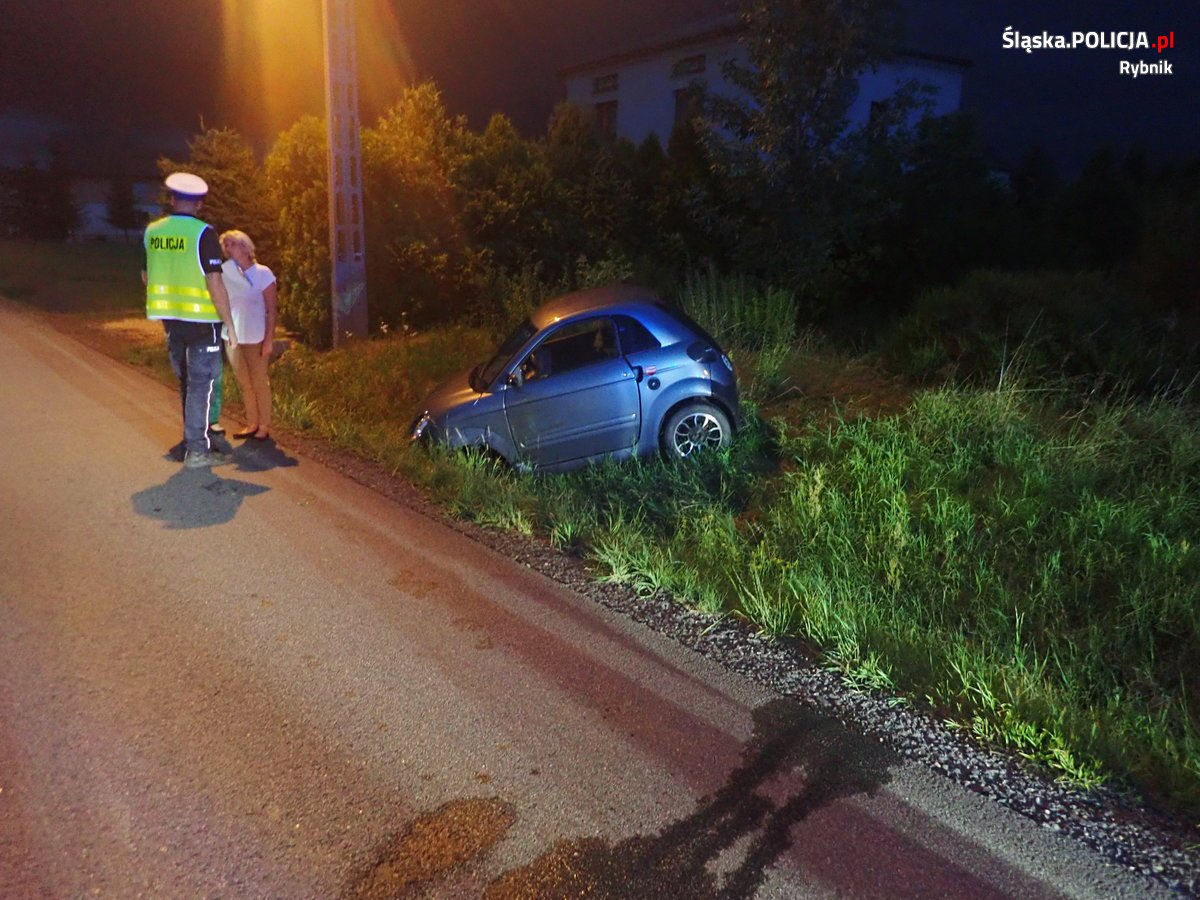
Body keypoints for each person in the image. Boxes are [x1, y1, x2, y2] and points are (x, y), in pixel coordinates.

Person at [142, 172, 239, 468]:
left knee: (186, 383)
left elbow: (146, 276)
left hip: (171, 321)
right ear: (199, 204)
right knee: (200, 386)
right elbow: (214, 281)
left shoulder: (152, 232)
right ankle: (197, 451)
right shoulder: (203, 233)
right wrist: (230, 324)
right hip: (202, 324)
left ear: (172, 200)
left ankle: (190, 441)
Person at [219, 229, 277, 440]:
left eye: (232, 244)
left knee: (259, 382)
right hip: (232, 337)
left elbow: (272, 310)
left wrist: (269, 340)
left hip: (256, 337)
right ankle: (252, 422)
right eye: (226, 245)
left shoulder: (263, 273)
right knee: (244, 383)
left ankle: (264, 425)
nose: (228, 249)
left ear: (245, 247)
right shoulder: (226, 274)